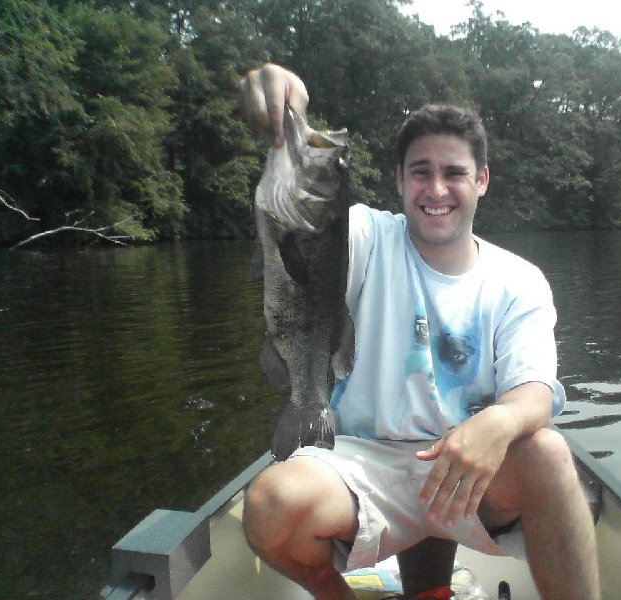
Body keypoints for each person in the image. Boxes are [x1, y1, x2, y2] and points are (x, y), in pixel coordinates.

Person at [239, 63, 600, 600]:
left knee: (546, 451)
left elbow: (536, 391)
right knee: (269, 504)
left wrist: (500, 421)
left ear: (482, 179)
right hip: (363, 466)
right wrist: (280, 106)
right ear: (400, 181)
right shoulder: (361, 234)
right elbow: (304, 226)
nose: (436, 189)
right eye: (420, 171)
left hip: (468, 475)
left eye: (454, 172)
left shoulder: (518, 281)